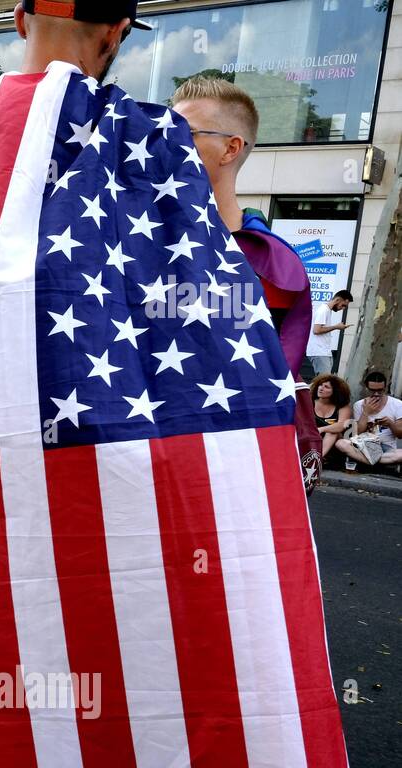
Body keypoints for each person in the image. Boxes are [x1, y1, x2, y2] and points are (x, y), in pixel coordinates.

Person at [0, 0, 359, 768]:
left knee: (18, 687)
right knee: (172, 675)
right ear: (119, 32)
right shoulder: (149, 150)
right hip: (151, 493)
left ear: (16, 16)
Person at [172, 75, 322, 491]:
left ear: (231, 148)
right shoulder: (132, 246)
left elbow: (278, 370)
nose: (167, 142)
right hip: (149, 454)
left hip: (236, 462)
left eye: (185, 132)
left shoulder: (275, 266)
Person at [335, 371, 402, 469]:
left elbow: (400, 435)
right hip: (363, 445)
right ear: (366, 388)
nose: (376, 394)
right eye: (372, 390)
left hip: (386, 447)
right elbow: (356, 433)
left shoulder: (397, 404)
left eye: (380, 391)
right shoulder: (359, 405)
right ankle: (379, 463)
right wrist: (366, 412)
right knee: (340, 443)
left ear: (385, 387)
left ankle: (366, 461)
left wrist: (390, 423)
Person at [305, 290, 353, 376]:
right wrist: (336, 327)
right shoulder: (324, 310)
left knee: (324, 380)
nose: (343, 308)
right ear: (337, 300)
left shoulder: (326, 310)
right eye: (343, 305)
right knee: (324, 381)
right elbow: (316, 330)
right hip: (319, 351)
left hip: (323, 351)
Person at [310, 373, 351, 467]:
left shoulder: (342, 406)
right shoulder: (309, 401)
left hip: (333, 444)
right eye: (320, 385)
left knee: (332, 431)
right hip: (311, 438)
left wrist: (322, 429)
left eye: (326, 387)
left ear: (335, 391)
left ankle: (316, 459)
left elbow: (342, 425)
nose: (321, 388)